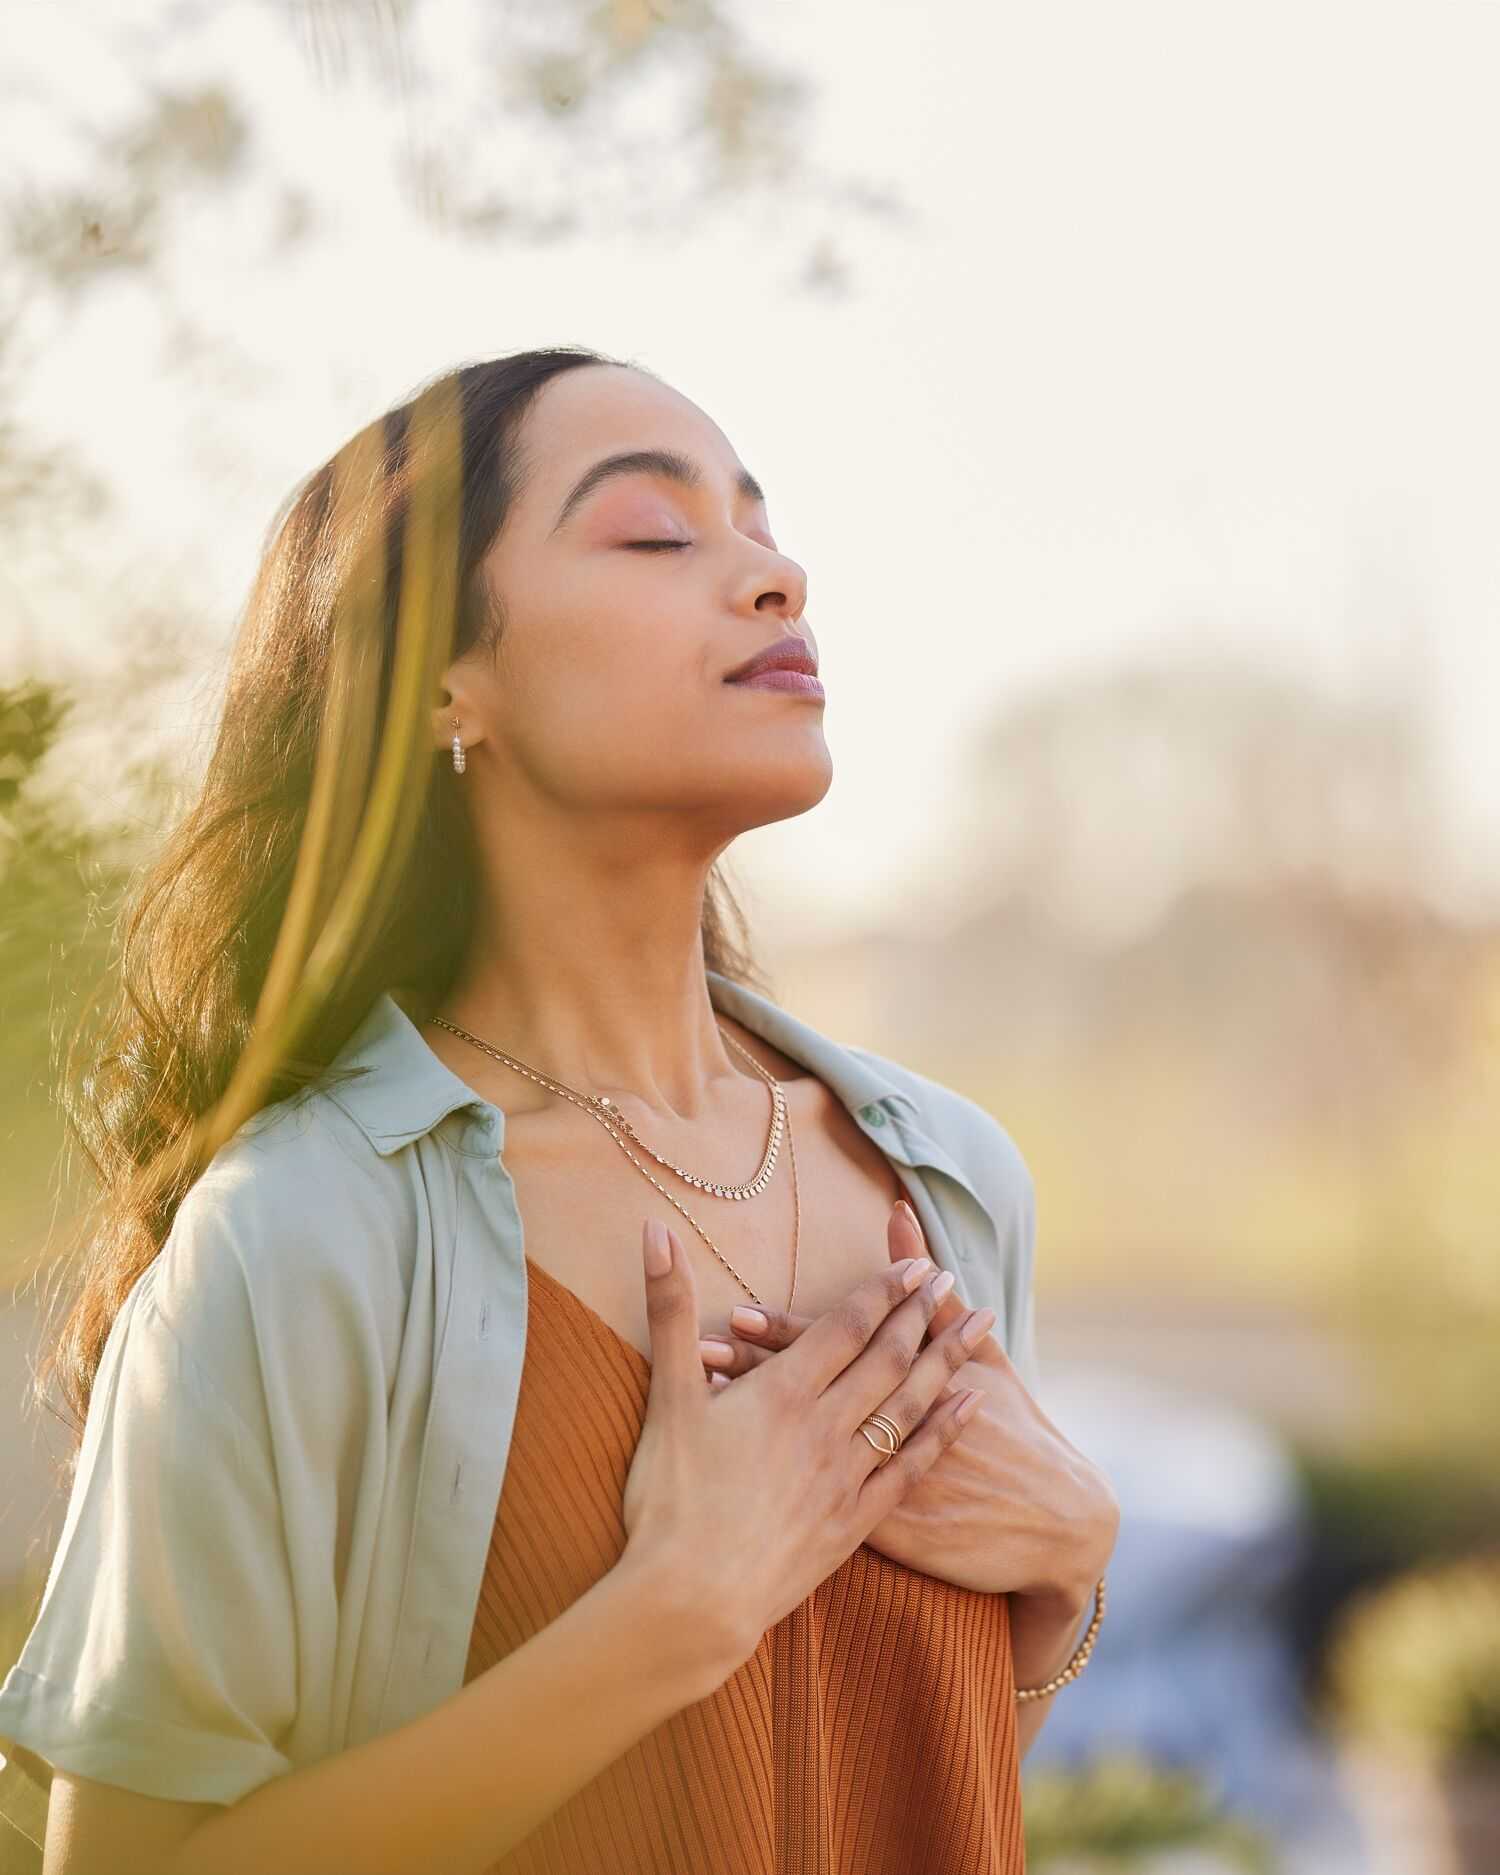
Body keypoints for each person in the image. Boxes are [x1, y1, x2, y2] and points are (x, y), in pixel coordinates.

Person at [0, 346, 1118, 1874]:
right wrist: (671, 1618)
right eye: (656, 534)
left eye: (760, 527)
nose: (777, 576)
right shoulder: (301, 1232)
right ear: (442, 684)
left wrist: (1063, 1580)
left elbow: (902, 1779)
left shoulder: (953, 1180)